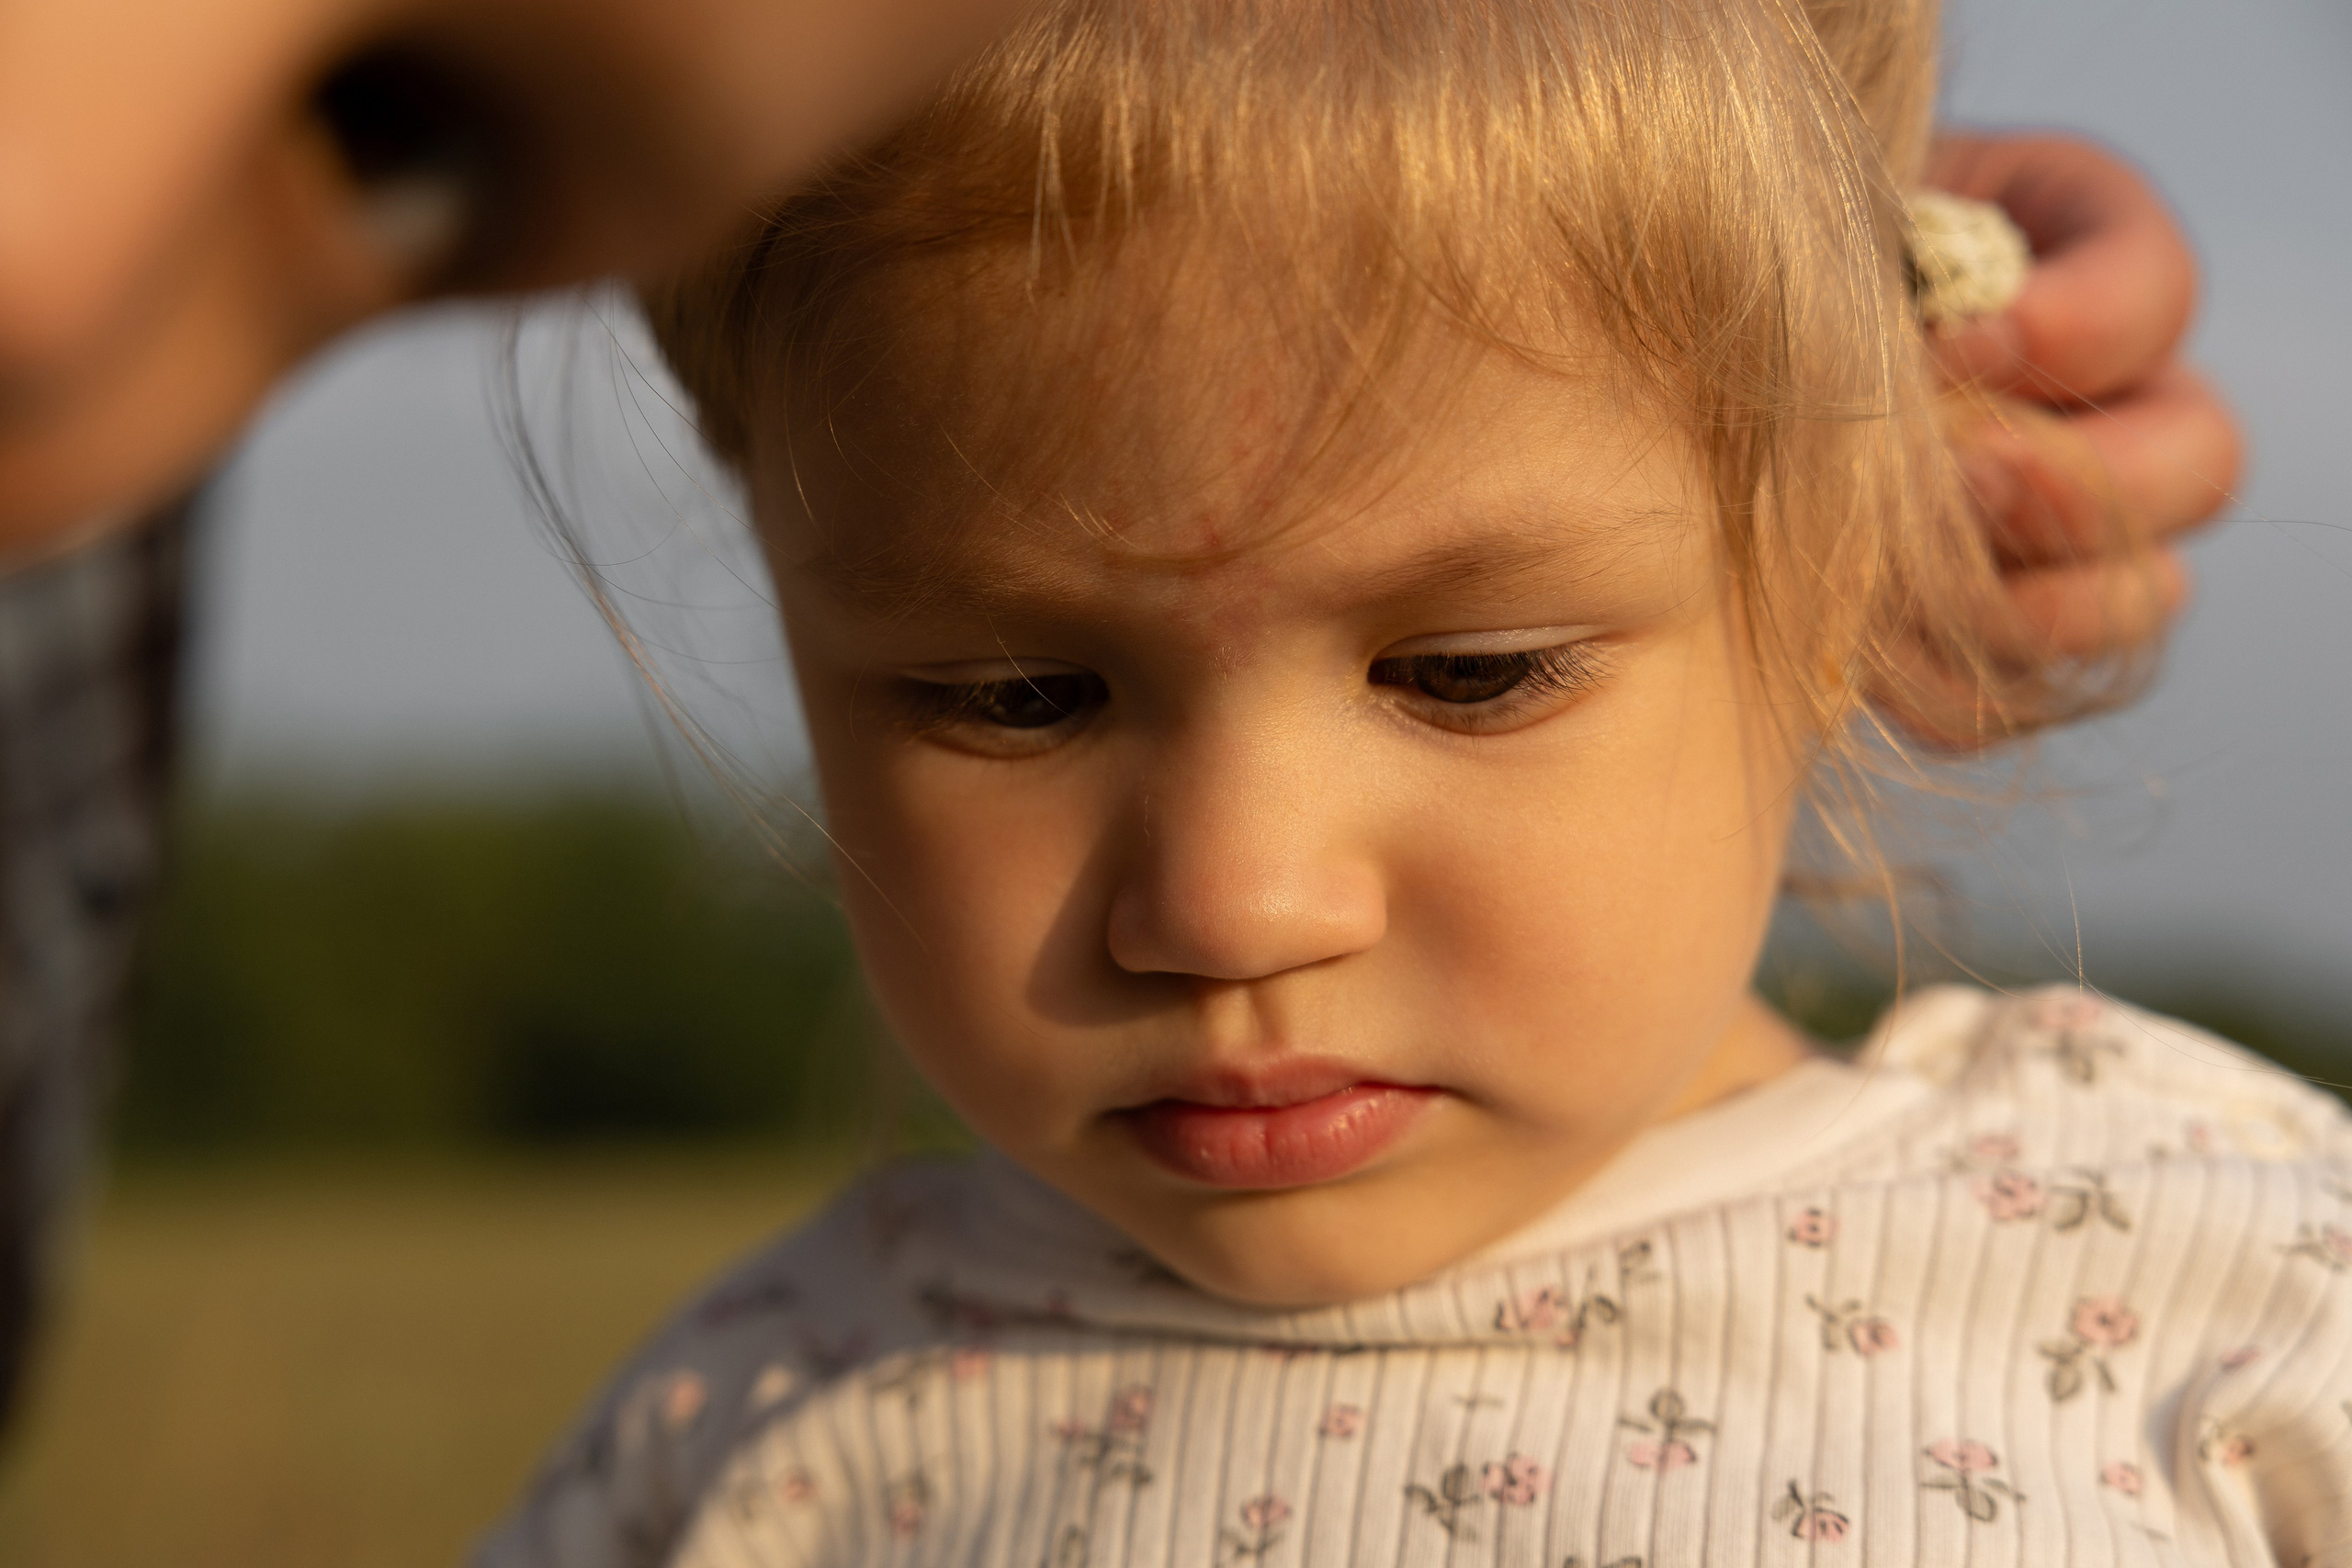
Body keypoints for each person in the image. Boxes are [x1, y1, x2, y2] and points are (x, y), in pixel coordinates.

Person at [0, 0, 2240, 1442]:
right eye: (1012, 693)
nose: (1228, 898)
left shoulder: (2211, 1280)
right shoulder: (769, 1416)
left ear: (1848, 555)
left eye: (1465, 670)